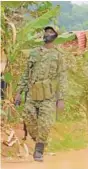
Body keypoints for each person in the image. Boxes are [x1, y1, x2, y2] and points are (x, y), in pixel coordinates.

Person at [14, 26, 67, 162]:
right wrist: (19, 92)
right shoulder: (34, 53)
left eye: (50, 32)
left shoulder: (58, 55)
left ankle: (39, 149)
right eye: (46, 31)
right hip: (32, 93)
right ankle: (40, 140)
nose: (47, 34)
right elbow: (26, 73)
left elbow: (62, 77)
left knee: (45, 123)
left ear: (55, 36)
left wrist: (61, 98)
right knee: (28, 117)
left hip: (48, 95)